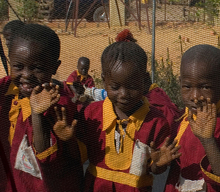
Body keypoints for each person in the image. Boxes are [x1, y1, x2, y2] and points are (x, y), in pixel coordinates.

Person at [0, 24, 83, 191]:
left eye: (37, 68)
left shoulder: (58, 103)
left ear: (54, 67)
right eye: (18, 67)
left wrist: (37, 113)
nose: (26, 75)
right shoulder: (6, 92)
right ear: (10, 62)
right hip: (9, 182)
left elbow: (45, 154)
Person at [57, 41, 181, 191]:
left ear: (145, 81)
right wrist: (68, 140)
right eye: (115, 87)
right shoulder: (92, 114)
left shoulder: (156, 121)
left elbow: (155, 168)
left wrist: (159, 165)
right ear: (104, 81)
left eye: (133, 87)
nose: (124, 95)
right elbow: (78, 157)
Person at [164, 44, 220, 191]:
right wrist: (158, 164)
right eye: (187, 87)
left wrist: (208, 140)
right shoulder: (180, 118)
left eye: (205, 87)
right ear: (180, 82)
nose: (195, 97)